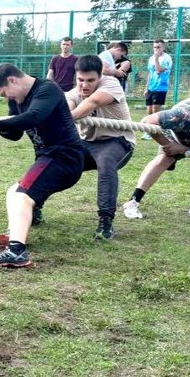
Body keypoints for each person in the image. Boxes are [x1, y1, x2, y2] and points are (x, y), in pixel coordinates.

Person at [0, 63, 87, 268]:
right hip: (48, 158)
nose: (7, 99)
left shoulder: (48, 89)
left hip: (64, 158)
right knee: (14, 191)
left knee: (22, 195)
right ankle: (15, 234)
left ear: (13, 80)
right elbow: (15, 133)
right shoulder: (17, 99)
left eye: (5, 93)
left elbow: (34, 117)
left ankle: (17, 251)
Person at [65, 55, 135, 240]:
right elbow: (69, 103)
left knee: (106, 163)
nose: (84, 85)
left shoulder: (111, 84)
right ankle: (34, 205)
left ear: (99, 77)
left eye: (90, 80)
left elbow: (92, 103)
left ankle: (106, 222)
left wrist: (65, 116)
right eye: (80, 80)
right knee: (58, 160)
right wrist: (66, 109)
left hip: (118, 141)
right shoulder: (74, 92)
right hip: (87, 144)